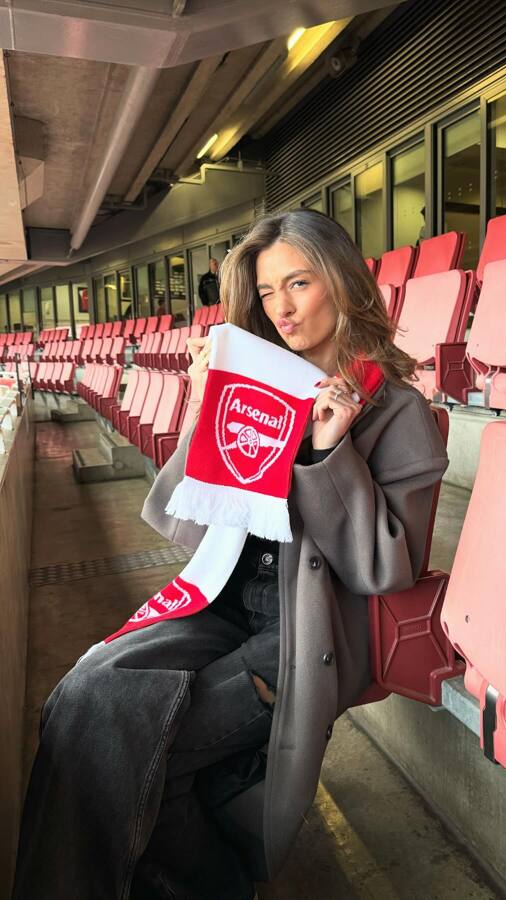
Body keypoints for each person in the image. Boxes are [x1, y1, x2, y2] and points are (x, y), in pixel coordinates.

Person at [11, 209, 449, 900]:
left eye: (299, 283)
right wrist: (205, 407)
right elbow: (182, 523)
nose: (281, 309)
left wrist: (332, 452)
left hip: (306, 630)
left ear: (342, 281)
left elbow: (383, 569)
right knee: (78, 699)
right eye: (268, 291)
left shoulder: (398, 413)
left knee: (122, 749)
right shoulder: (259, 391)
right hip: (223, 601)